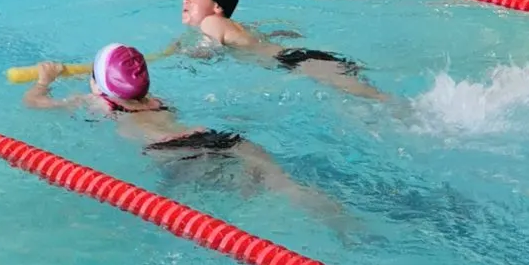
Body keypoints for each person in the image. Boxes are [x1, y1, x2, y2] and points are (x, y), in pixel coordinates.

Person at [27, 45, 346, 228]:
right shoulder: (158, 100)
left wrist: (44, 81)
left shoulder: (100, 103)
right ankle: (347, 225)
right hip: (217, 137)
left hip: (175, 151)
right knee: (286, 186)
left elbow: (35, 104)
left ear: (98, 85)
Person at [179, 0, 386, 103]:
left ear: (217, 6)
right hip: (299, 58)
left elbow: (209, 50)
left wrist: (186, 57)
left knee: (381, 101)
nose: (186, 0)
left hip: (297, 62)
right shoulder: (233, 26)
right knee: (367, 101)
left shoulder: (211, 22)